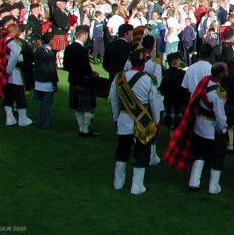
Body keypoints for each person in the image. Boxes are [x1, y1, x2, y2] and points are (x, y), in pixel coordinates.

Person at [111, 46, 164, 195]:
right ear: (143, 64)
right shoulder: (149, 80)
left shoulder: (119, 78)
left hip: (123, 120)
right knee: (141, 153)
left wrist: (116, 118)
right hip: (143, 122)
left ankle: (118, 183)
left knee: (122, 151)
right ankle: (137, 186)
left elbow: (114, 101)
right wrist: (156, 121)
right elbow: (154, 103)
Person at [187, 62, 229, 194]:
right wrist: (223, 130)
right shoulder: (219, 92)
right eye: (226, 71)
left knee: (199, 153)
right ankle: (213, 186)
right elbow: (219, 115)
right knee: (217, 156)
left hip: (199, 124)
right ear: (221, 74)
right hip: (212, 128)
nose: (228, 73)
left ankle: (194, 182)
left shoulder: (204, 82)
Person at [0, 23, 32, 126]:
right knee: (20, 96)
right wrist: (9, 70)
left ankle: (10, 118)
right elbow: (15, 56)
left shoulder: (4, 40)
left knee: (8, 96)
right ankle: (22, 119)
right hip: (14, 72)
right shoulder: (13, 42)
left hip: (6, 71)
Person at [64, 25, 99, 137]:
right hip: (83, 81)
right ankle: (85, 130)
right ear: (83, 36)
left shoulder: (68, 48)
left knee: (78, 107)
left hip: (73, 80)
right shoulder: (82, 50)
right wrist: (92, 73)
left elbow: (66, 66)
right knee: (90, 106)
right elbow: (85, 67)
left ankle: (81, 128)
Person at [33, 32, 58, 129]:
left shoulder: (38, 50)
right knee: (46, 104)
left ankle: (41, 120)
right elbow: (52, 70)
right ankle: (43, 122)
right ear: (51, 41)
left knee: (43, 103)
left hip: (38, 79)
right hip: (47, 82)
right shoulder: (50, 53)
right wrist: (55, 83)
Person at [159, 52, 188, 132]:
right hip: (179, 104)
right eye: (178, 61)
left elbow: (162, 89)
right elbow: (184, 90)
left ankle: (173, 140)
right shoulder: (182, 74)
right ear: (175, 62)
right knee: (179, 128)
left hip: (168, 102)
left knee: (172, 129)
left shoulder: (165, 73)